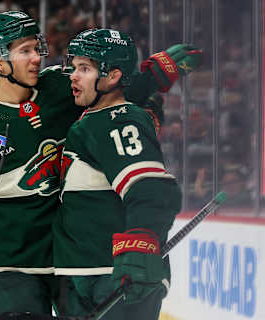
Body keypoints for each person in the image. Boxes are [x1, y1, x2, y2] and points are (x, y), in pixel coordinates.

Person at [0, 11, 202, 320]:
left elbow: (109, 89)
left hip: (72, 261)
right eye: (24, 51)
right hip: (14, 265)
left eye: (36, 47)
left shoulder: (59, 86)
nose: (36, 58)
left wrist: (153, 76)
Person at [53, 29, 185, 319]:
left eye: (84, 68)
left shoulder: (118, 120)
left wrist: (141, 241)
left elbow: (150, 189)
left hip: (117, 278)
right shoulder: (92, 119)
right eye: (74, 67)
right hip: (83, 276)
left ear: (112, 77)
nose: (73, 76)